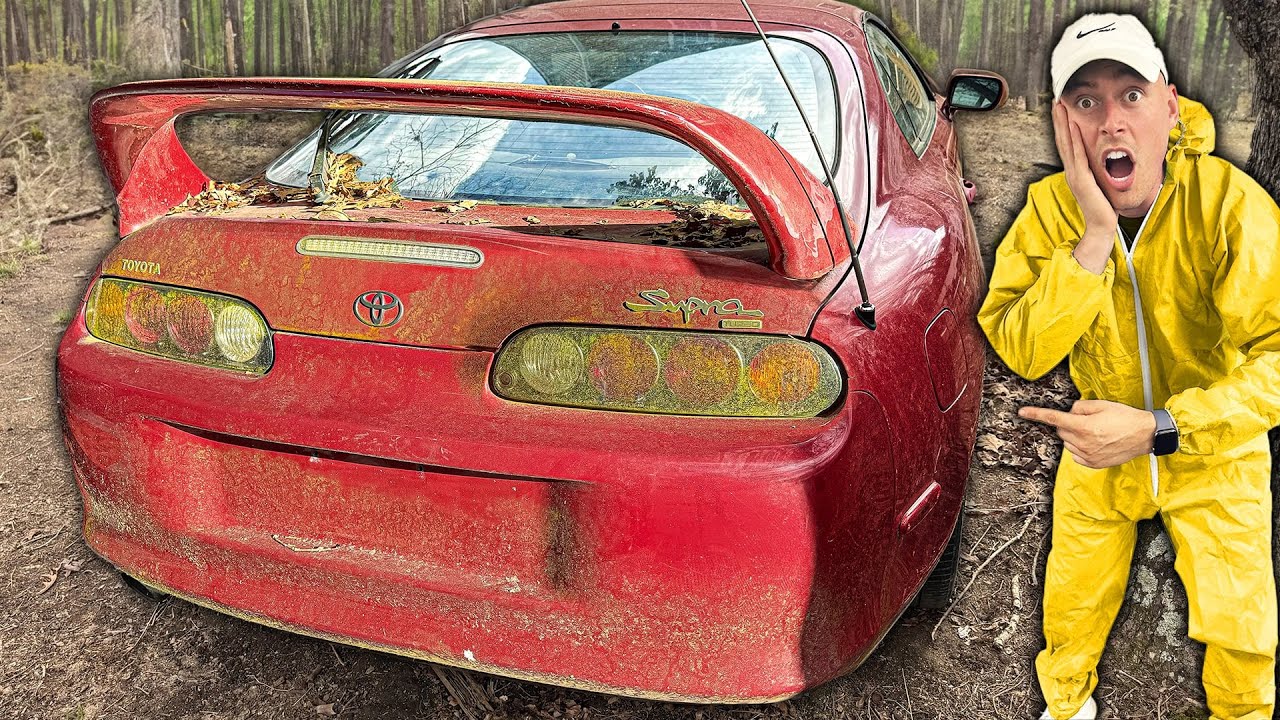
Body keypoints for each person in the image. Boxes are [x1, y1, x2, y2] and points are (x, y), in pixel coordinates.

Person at [977, 13, 1280, 720]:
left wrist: (1160, 428)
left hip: (1213, 450)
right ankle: (1067, 708)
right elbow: (1020, 346)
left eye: (1132, 95)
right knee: (1071, 606)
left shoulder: (1229, 205)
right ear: (1064, 123)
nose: (1111, 120)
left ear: (1169, 107)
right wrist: (1092, 237)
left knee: (1242, 633)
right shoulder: (1050, 211)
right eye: (1086, 100)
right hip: (1099, 449)